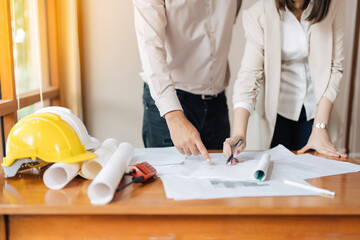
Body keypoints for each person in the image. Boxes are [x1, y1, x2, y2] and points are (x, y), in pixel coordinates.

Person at [223, 0, 347, 163]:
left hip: (318, 111)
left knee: (316, 179)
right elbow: (249, 75)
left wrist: (319, 126)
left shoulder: (333, 5)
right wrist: (239, 134)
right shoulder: (258, 14)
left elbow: (334, 68)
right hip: (277, 113)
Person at [133, 0, 242, 162]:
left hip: (216, 103)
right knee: (167, 184)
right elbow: (150, 46)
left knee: (218, 182)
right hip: (171, 103)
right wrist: (173, 114)